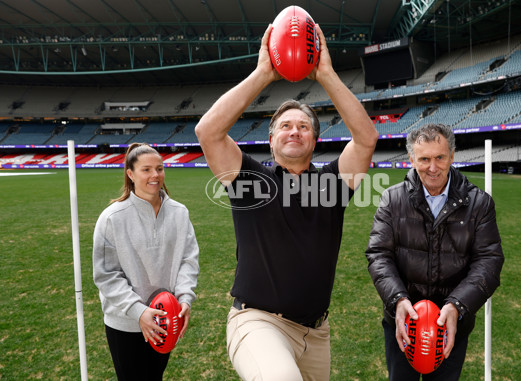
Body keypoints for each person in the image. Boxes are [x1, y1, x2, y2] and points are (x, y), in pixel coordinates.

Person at [195, 24, 378, 381]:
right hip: (257, 321)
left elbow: (366, 138)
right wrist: (264, 73)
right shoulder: (249, 179)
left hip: (316, 333)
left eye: (304, 127)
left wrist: (325, 73)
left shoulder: (332, 184)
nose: (294, 131)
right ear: (271, 138)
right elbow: (208, 131)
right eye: (285, 126)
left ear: (314, 140)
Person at [365, 124, 504, 381]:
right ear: (411, 159)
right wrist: (398, 300)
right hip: (403, 321)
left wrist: (457, 305)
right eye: (424, 159)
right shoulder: (392, 199)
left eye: (440, 157)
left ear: (452, 156)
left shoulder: (479, 203)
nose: (432, 167)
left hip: (452, 324)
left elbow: (488, 261)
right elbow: (378, 254)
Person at [93, 143, 199, 380]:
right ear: (130, 174)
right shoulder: (112, 218)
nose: (155, 175)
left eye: (159, 169)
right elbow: (106, 275)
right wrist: (138, 311)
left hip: (165, 318)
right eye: (146, 169)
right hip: (126, 323)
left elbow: (188, 260)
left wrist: (185, 297)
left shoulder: (180, 213)